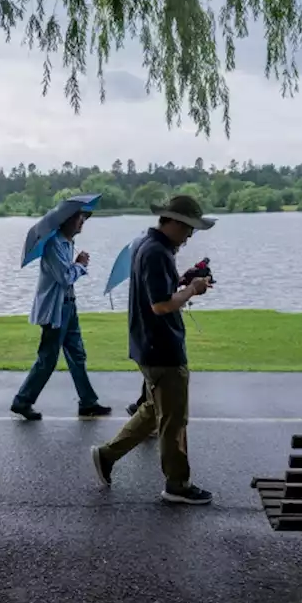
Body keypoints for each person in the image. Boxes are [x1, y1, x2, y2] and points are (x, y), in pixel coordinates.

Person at [90, 195, 215, 505]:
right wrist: (192, 289)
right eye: (189, 229)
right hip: (163, 348)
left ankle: (107, 455)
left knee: (151, 409)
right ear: (172, 222)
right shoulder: (157, 252)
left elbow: (156, 292)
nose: (189, 237)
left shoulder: (146, 246)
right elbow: (160, 305)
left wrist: (183, 281)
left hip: (147, 345)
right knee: (174, 419)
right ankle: (177, 484)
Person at [10, 209, 113, 421]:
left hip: (69, 306)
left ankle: (88, 402)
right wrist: (81, 265)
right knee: (47, 358)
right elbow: (65, 277)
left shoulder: (66, 243)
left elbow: (66, 273)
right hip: (56, 310)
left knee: (77, 354)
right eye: (78, 217)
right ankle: (22, 400)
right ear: (66, 220)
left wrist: (76, 263)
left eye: (84, 218)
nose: (82, 221)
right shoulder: (54, 244)